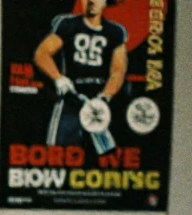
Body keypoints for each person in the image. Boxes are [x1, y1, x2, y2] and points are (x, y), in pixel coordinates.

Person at [34, 0, 127, 153]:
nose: (91, 1)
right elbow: (42, 54)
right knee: (57, 154)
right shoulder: (68, 24)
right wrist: (58, 78)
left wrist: (105, 96)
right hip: (71, 99)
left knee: (108, 155)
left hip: (99, 104)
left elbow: (118, 70)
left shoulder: (115, 32)